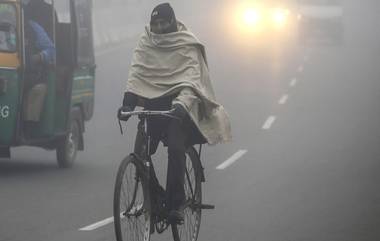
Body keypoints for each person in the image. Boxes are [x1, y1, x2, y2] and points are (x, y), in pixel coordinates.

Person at [118, 3, 231, 223]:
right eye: (155, 24)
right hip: (154, 103)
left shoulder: (186, 43)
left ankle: (176, 203)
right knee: (139, 154)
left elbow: (191, 80)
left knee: (176, 147)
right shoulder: (146, 41)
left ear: (172, 22)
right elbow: (137, 72)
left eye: (163, 23)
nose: (159, 28)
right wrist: (128, 103)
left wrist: (182, 104)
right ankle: (156, 196)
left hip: (179, 107)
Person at [23, 16, 55, 123]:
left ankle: (28, 126)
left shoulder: (32, 27)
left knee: (38, 88)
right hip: (11, 74)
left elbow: (51, 50)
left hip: (30, 76)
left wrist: (40, 56)